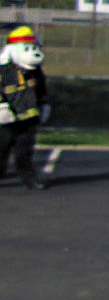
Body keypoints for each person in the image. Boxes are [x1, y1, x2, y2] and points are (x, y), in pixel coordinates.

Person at [0, 26, 50, 190]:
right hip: (5, 121)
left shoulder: (36, 71)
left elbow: (41, 90)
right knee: (1, 149)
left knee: (25, 152)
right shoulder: (4, 70)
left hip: (28, 120)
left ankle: (29, 179)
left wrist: (44, 105)